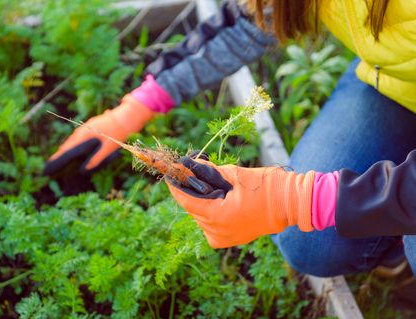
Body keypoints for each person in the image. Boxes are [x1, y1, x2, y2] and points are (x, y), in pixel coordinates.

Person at [44, 0, 416, 277]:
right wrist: (133, 109)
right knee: (310, 241)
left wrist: (301, 197)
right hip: (396, 82)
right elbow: (252, 21)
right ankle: (389, 236)